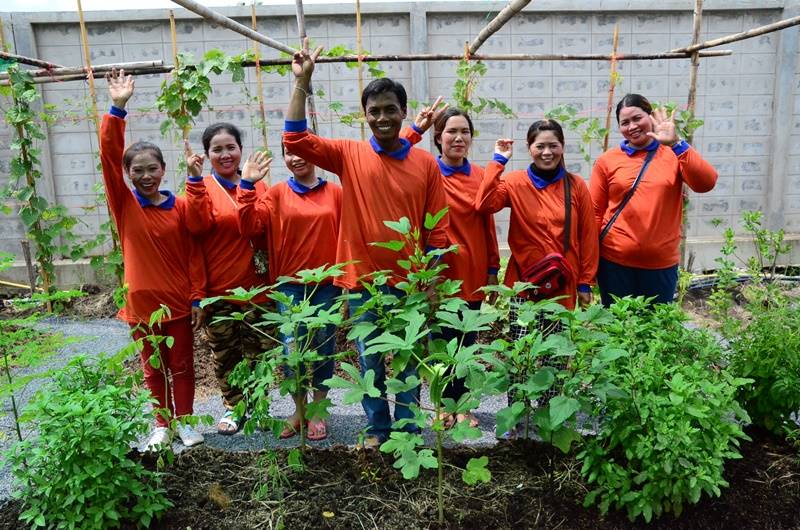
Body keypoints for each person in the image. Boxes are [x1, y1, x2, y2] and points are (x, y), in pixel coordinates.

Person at [283, 39, 449, 447]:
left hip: (410, 283)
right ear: (365, 115)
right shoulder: (348, 155)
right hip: (363, 282)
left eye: (390, 109)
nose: (382, 117)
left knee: (409, 358)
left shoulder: (425, 162)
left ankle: (408, 430)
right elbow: (295, 140)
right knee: (369, 358)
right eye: (374, 111)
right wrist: (302, 82)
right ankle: (378, 429)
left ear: (403, 112)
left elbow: (438, 230)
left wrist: (432, 282)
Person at [100, 69, 205, 449]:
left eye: (152, 168)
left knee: (182, 366)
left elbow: (194, 254)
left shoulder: (179, 207)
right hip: (141, 305)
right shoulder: (125, 205)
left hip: (177, 303)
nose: (146, 176)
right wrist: (117, 108)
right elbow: (108, 157)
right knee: (152, 367)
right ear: (127, 176)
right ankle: (161, 424)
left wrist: (196, 297)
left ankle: (186, 422)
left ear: (163, 169)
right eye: (137, 170)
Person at [475, 120, 599, 436]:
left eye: (552, 145)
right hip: (523, 286)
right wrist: (498, 160)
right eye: (539, 146)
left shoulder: (576, 186)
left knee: (555, 355)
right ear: (530, 148)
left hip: (562, 287)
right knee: (520, 352)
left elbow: (588, 236)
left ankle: (546, 419)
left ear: (562, 146)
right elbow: (484, 204)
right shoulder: (515, 182)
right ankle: (517, 420)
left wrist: (585, 281)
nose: (546, 152)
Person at [237, 141, 343, 441]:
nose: (296, 158)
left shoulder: (336, 193)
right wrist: (246, 184)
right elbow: (248, 227)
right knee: (290, 349)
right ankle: (299, 409)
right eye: (288, 153)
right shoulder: (276, 194)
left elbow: (349, 235)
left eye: (302, 152)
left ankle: (319, 410)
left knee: (324, 347)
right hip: (290, 288)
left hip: (327, 286)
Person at [404, 107, 500, 428]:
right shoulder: (425, 173)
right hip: (437, 275)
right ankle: (444, 405)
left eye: (465, 132)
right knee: (440, 343)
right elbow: (395, 156)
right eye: (451, 132)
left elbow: (488, 226)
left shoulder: (481, 176)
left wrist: (493, 270)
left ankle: (464, 406)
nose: (458, 138)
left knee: (466, 343)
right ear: (438, 137)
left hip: (472, 271)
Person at [184, 123, 272, 435]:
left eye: (230, 147)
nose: (225, 154)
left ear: (240, 149)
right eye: (217, 149)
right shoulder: (201, 188)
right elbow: (194, 230)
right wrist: (194, 181)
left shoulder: (257, 183)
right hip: (219, 292)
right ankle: (235, 406)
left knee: (260, 353)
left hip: (258, 290)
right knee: (226, 356)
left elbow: (262, 230)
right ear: (206, 155)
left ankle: (259, 406)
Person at [590, 94, 718, 306]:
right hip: (613, 262)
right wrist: (590, 264)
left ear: (650, 117)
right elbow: (594, 212)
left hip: (660, 264)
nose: (632, 126)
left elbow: (706, 183)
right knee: (617, 330)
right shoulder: (607, 161)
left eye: (637, 118)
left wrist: (676, 143)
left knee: (656, 331)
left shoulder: (673, 154)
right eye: (625, 123)